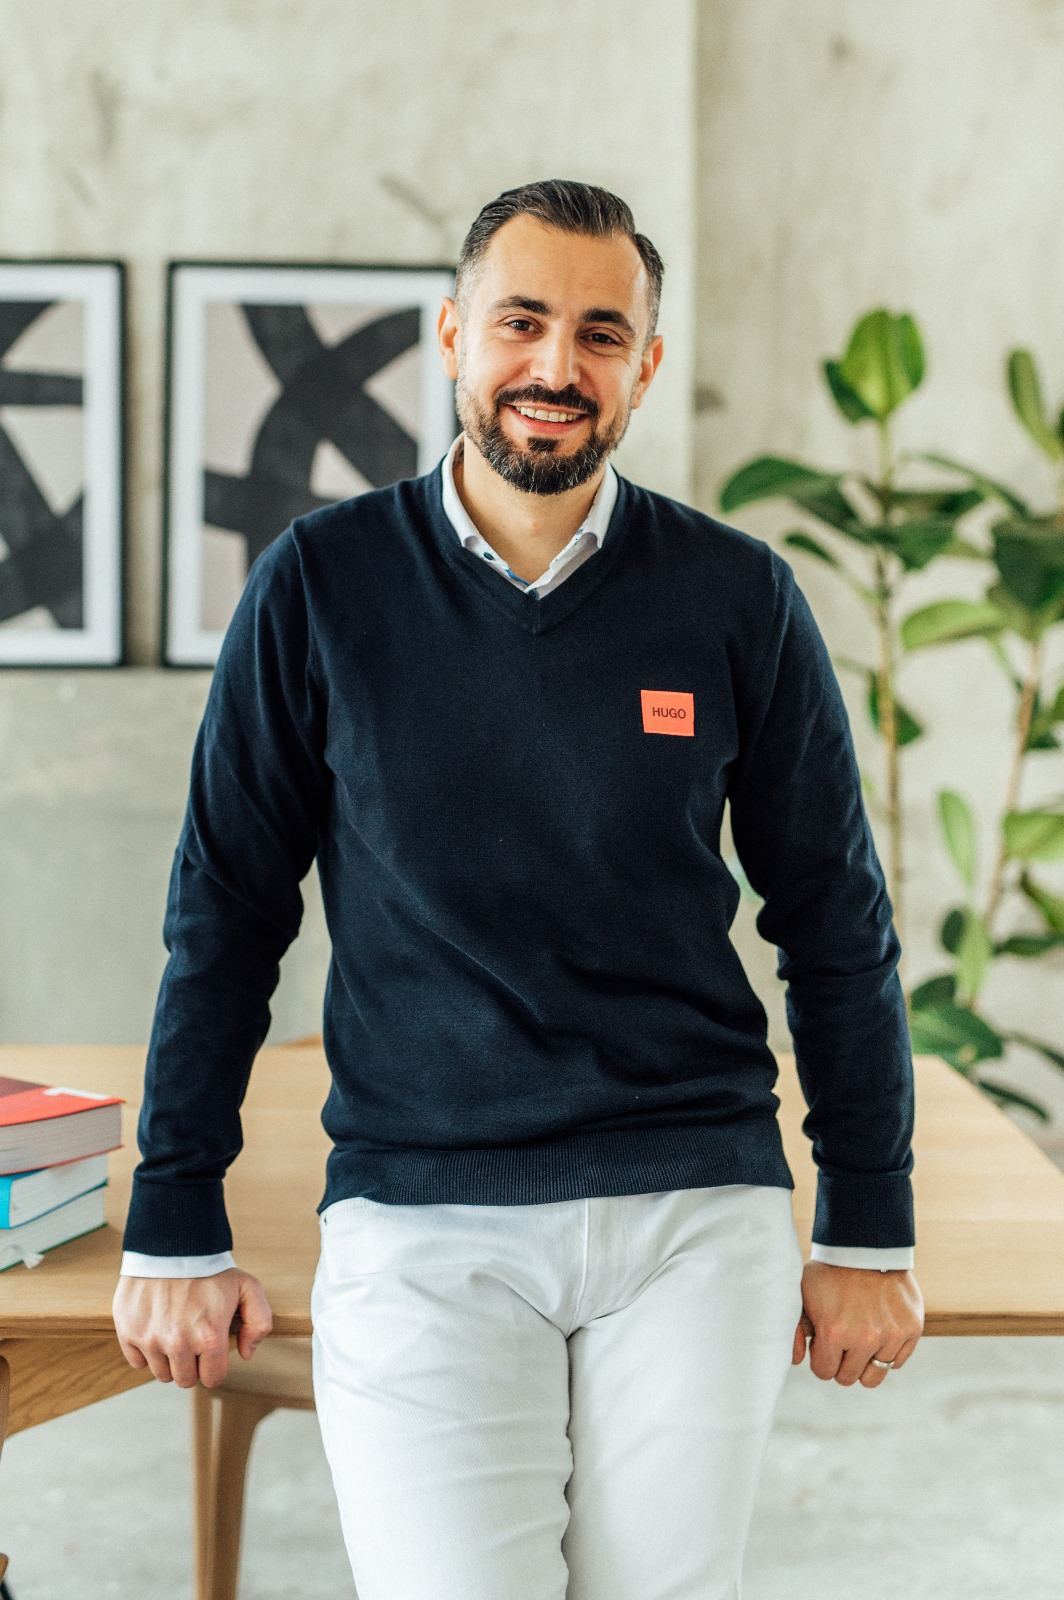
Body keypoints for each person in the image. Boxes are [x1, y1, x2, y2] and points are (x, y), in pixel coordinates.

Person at [113, 178, 924, 1600]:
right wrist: (173, 1208)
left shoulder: (739, 595)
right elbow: (227, 913)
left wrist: (868, 1219)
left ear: (645, 366)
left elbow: (836, 924)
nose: (557, 366)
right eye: (522, 322)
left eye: (602, 335)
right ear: (452, 334)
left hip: (694, 1205)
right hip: (420, 1216)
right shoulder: (319, 585)